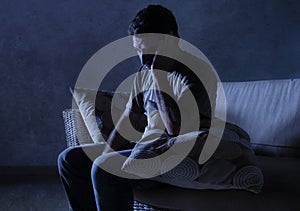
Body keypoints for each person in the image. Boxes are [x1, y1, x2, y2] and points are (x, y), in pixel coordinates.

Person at [58, 4, 217, 211]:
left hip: (179, 155)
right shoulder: (146, 70)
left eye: (148, 50)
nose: (142, 59)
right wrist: (105, 155)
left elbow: (177, 131)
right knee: (70, 159)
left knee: (105, 170)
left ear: (171, 40)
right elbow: (129, 118)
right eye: (138, 51)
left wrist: (159, 74)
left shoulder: (195, 72)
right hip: (146, 149)